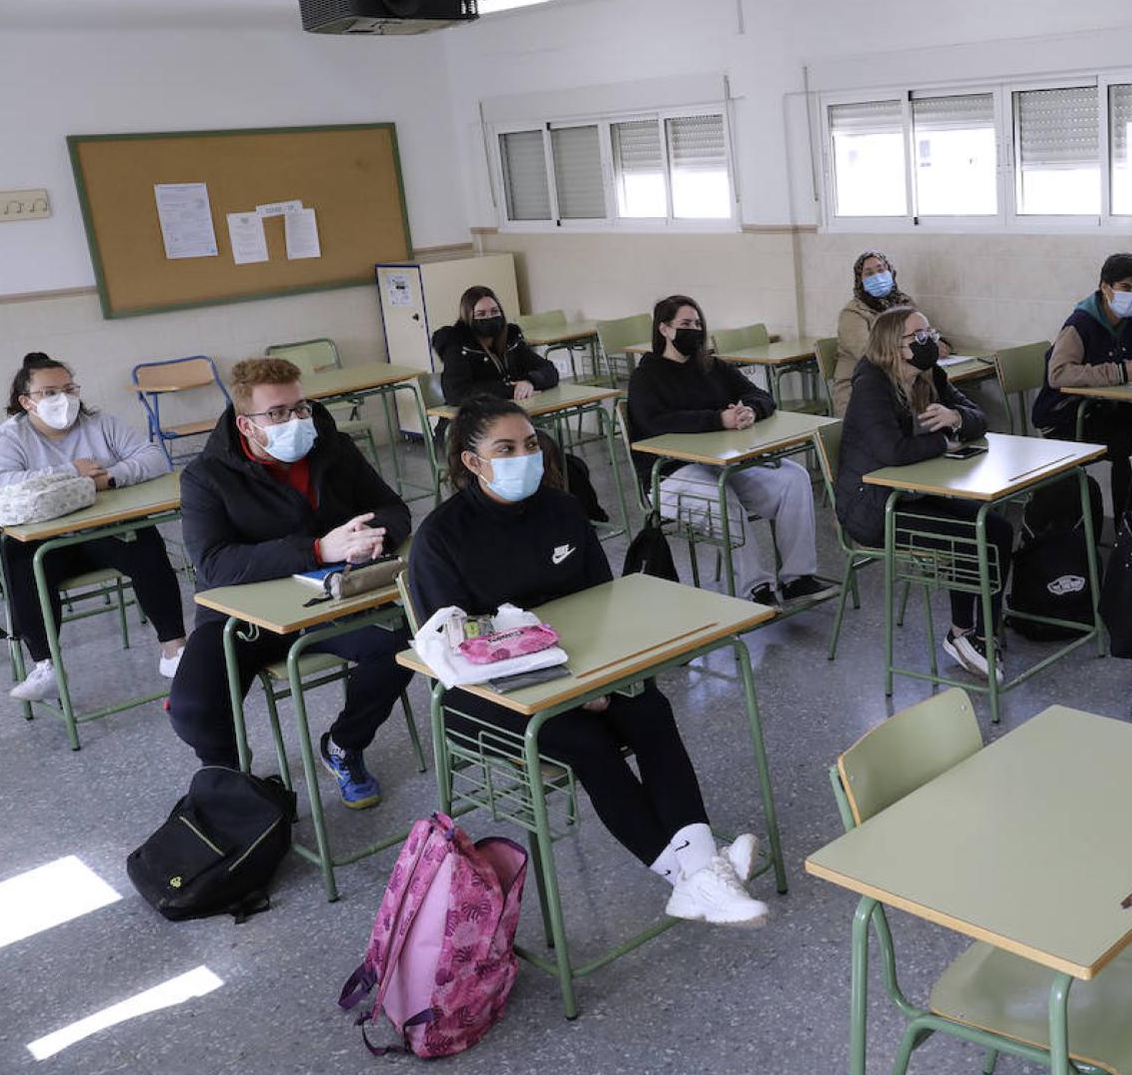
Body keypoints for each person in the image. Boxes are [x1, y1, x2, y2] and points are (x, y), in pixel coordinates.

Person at [409, 397, 768, 927]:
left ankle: (699, 873)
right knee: (587, 742)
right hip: (487, 693)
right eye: (505, 449)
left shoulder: (562, 509)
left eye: (530, 444)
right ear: (472, 462)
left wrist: (598, 678)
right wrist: (571, 684)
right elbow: (460, 651)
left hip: (581, 668)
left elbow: (606, 605)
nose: (524, 456)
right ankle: (693, 877)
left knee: (649, 710)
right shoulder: (440, 538)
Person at [169, 357, 415, 809]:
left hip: (331, 602)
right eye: (278, 413)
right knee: (193, 710)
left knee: (403, 642)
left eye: (300, 407)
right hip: (243, 618)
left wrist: (369, 536)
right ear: (246, 424)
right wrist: (318, 550)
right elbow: (215, 564)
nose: (296, 420)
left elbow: (395, 510)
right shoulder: (207, 476)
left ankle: (343, 743)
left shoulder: (333, 448)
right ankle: (229, 775)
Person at [0, 352, 187, 701]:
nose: (63, 399)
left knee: (144, 539)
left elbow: (153, 457)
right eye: (49, 392)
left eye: (69, 388)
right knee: (18, 560)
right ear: (26, 401)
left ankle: (174, 650)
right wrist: (70, 473)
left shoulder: (100, 423)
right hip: (46, 542)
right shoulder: (9, 438)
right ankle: (45, 665)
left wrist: (110, 478)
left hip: (101, 532)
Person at [835, 305, 1009, 681]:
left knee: (996, 528)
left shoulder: (929, 374)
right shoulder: (871, 386)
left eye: (929, 331)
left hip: (913, 492)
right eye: (919, 336)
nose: (929, 340)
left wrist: (956, 418)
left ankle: (988, 632)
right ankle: (961, 633)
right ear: (893, 346)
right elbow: (892, 452)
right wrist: (944, 442)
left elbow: (978, 417)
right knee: (971, 536)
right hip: (873, 507)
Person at [626, 295, 824, 608]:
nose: (695, 329)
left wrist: (750, 411)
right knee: (721, 497)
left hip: (723, 464)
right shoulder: (646, 377)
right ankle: (754, 588)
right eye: (686, 324)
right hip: (669, 474)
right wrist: (717, 419)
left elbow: (759, 394)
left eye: (698, 323)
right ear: (664, 329)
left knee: (793, 478)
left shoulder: (712, 366)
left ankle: (797, 578)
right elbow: (654, 423)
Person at [1030, 252, 1132, 518]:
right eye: (1126, 288)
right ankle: (1127, 526)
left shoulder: (1131, 324)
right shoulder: (1080, 323)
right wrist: (1117, 372)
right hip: (1067, 416)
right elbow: (1058, 373)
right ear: (1105, 287)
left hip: (1104, 410)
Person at [831, 251, 952, 418]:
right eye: (869, 273)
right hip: (860, 391)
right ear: (860, 280)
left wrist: (936, 343)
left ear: (890, 271)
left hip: (906, 385)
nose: (877, 276)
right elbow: (870, 354)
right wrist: (915, 349)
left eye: (881, 270)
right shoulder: (853, 313)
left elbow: (923, 331)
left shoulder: (903, 302)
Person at [432, 284, 559, 419]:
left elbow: (548, 369)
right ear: (469, 317)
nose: (489, 317)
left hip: (507, 416)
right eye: (481, 314)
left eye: (494, 311)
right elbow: (456, 393)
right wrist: (512, 390)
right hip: (468, 422)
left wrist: (530, 382)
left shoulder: (511, 339)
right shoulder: (457, 344)